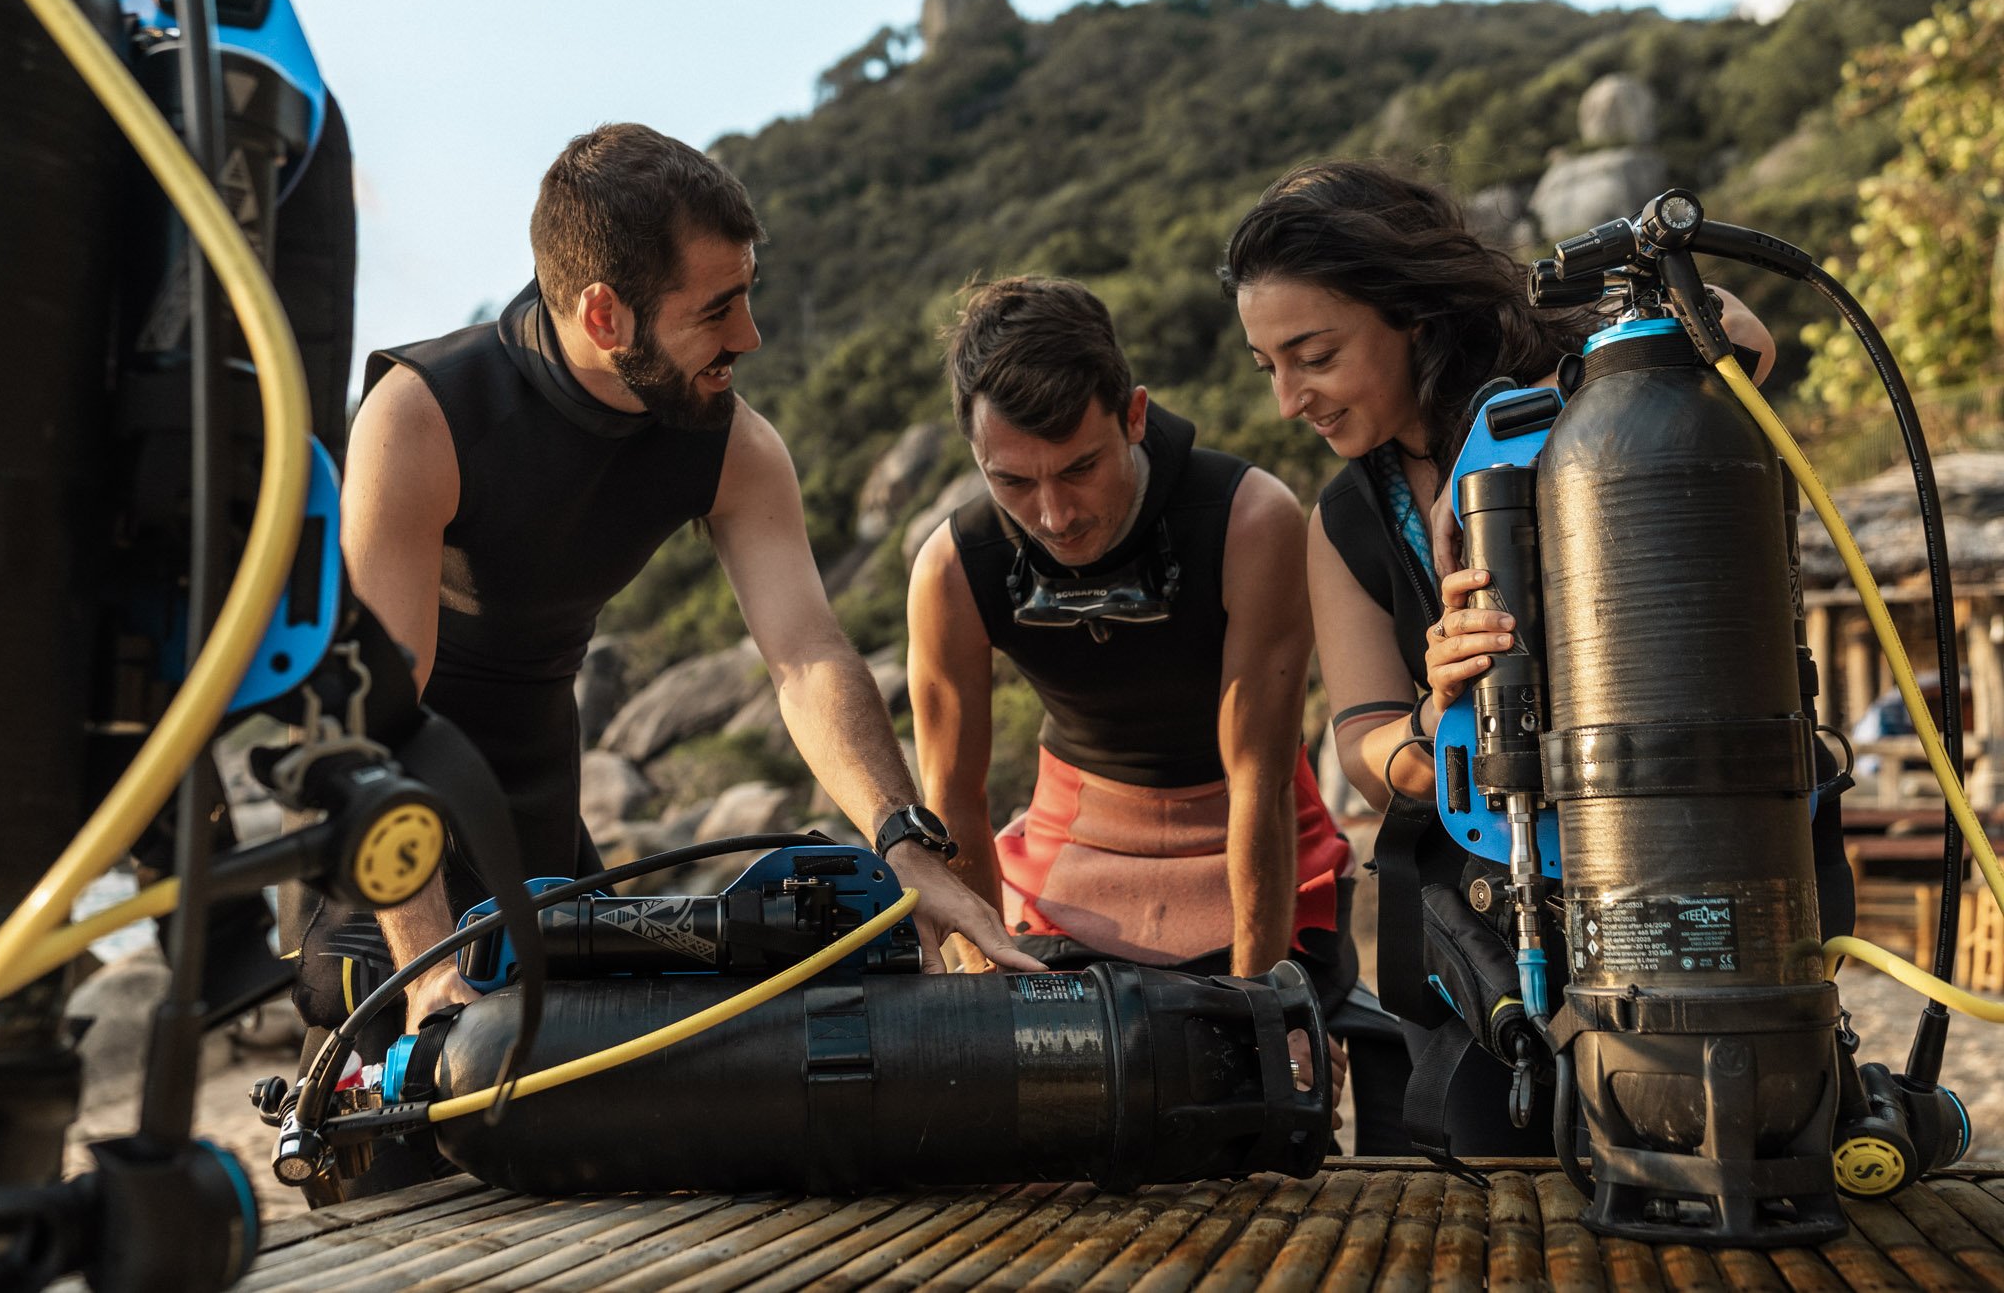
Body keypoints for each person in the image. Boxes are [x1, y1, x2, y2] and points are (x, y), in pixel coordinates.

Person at [304, 125, 1043, 1194]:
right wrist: (427, 971)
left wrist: (907, 851)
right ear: (605, 314)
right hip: (394, 870)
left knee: (618, 1192)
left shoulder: (727, 442)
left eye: (746, 292)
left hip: (548, 854)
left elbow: (805, 657)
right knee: (403, 1220)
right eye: (714, 309)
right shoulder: (421, 419)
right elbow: (384, 713)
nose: (748, 332)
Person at [1219, 160, 1850, 1160]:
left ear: (1411, 314)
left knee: (1730, 1139)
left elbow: (1735, 331)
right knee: (1483, 1164)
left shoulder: (1583, 372)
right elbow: (1360, 744)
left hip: (1693, 841)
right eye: (1270, 368)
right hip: (1485, 896)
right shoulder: (1341, 518)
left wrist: (1515, 446)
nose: (1291, 399)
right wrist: (1435, 713)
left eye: (1314, 356)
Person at [906, 275, 1363, 1135]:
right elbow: (954, 800)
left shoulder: (1249, 517)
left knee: (1251, 1090)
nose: (1054, 514)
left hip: (1245, 823)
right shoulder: (953, 568)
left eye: (1081, 467)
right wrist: (985, 984)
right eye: (1012, 480)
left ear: (1136, 416)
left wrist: (1262, 1012)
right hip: (1077, 837)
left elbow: (1259, 777)